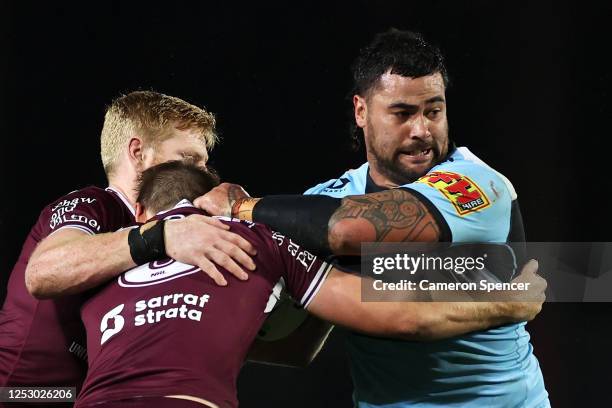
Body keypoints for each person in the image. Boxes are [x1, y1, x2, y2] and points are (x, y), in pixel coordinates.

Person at [198, 29, 549, 407]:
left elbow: (350, 231)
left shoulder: (479, 184)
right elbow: (295, 347)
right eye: (402, 113)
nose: (422, 130)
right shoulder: (324, 203)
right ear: (361, 111)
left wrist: (239, 207)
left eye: (434, 110)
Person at [74, 161, 544, 408]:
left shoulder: (98, 263)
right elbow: (399, 314)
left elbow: (296, 347)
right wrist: (509, 304)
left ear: (140, 212)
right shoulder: (256, 241)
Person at [0, 91, 256, 392]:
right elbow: (42, 272)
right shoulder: (94, 205)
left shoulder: (175, 238)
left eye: (203, 164)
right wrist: (162, 234)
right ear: (138, 153)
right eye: (188, 159)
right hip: (20, 395)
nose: (202, 174)